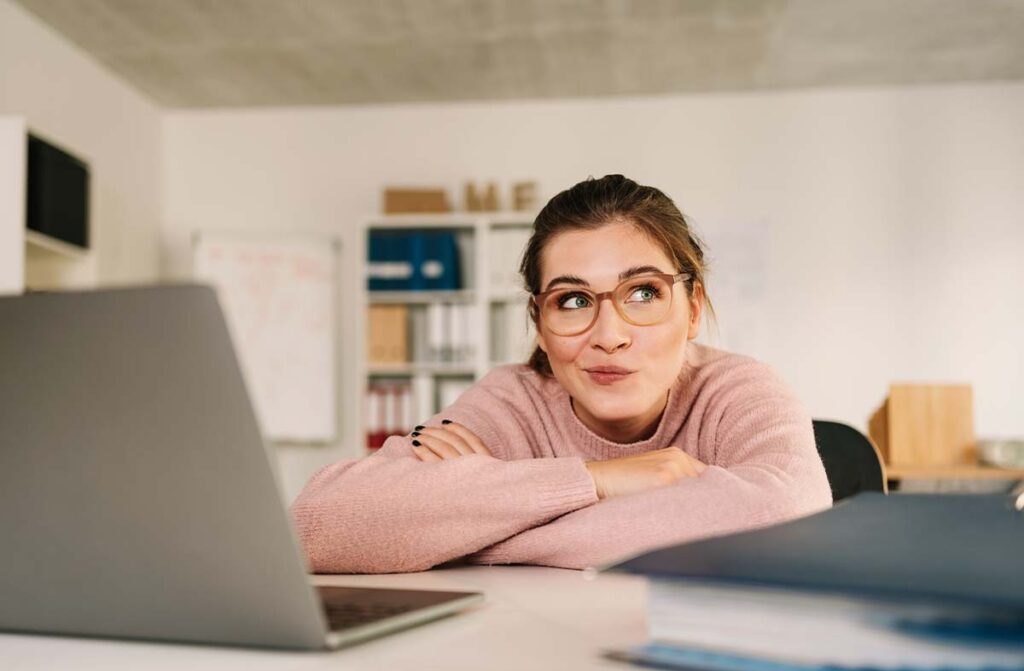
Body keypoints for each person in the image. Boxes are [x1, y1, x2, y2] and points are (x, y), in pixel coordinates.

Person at [292, 175, 831, 574]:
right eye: (572, 300)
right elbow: (315, 524)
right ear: (540, 324)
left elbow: (792, 518)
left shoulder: (738, 391)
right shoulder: (512, 401)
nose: (608, 334)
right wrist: (595, 480)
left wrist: (470, 533)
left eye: (643, 292)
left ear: (692, 309)